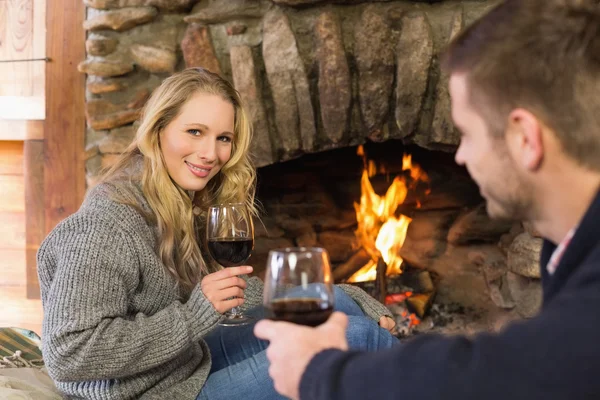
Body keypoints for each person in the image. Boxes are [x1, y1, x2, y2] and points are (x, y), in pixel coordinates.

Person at [254, 0, 600, 399]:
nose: (460, 156)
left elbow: (513, 373)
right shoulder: (571, 246)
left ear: (524, 138)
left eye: (468, 134)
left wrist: (320, 372)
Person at [36, 67, 398, 399]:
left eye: (223, 138)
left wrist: (339, 293)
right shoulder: (106, 225)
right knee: (358, 338)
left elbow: (226, 294)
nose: (211, 153)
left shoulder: (173, 201)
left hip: (180, 364)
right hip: (149, 393)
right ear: (157, 129)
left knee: (343, 307)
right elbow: (70, 354)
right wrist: (194, 316)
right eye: (194, 131)